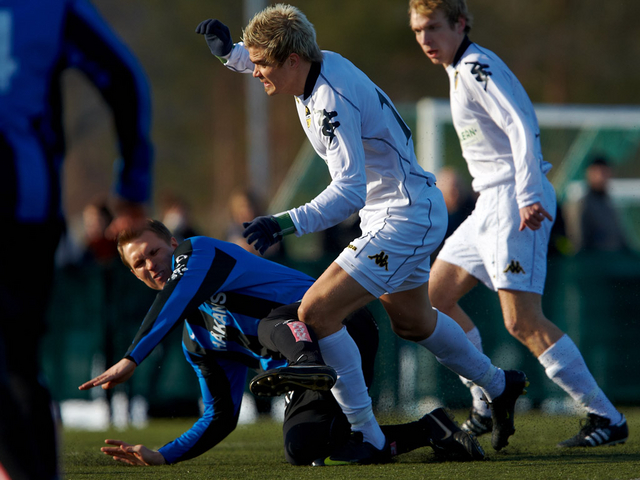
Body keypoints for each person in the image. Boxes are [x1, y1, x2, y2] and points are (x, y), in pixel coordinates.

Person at [196, 4, 527, 464]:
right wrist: (230, 53)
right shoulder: (313, 65)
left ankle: (367, 436)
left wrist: (282, 222)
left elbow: (348, 192)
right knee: (414, 322)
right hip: (403, 211)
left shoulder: (330, 99)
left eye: (260, 64)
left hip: (402, 216)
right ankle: (499, 385)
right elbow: (276, 57)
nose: (256, 73)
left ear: (292, 61)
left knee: (316, 311)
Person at [78, 220, 485, 466]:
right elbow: (220, 416)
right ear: (133, 275)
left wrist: (133, 357)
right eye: (139, 264)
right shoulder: (197, 340)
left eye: (154, 251)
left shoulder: (199, 250)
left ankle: (306, 363)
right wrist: (163, 454)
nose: (151, 264)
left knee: (274, 321)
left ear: (173, 246)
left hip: (341, 323)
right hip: (311, 367)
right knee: (306, 450)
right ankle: (432, 428)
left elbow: (177, 292)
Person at [408, 0, 628, 448]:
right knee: (434, 299)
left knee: (522, 321)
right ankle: (486, 399)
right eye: (417, 30)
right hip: (489, 202)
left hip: (513, 198)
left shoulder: (475, 66)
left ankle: (606, 417)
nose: (425, 39)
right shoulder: (459, 69)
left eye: (433, 27)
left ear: (461, 24)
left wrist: (527, 194)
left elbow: (521, 125)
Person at [0, 1, 153, 478]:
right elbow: (123, 79)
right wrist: (132, 183)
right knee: (16, 361)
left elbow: (123, 79)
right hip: (28, 211)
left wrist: (132, 185)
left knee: (13, 361)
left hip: (22, 210)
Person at [577, 156, 629, 253]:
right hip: (595, 264)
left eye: (604, 172)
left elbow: (621, 239)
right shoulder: (582, 205)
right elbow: (579, 243)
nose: (601, 177)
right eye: (597, 172)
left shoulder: (610, 205)